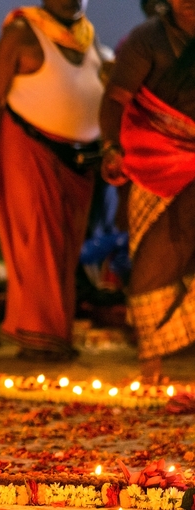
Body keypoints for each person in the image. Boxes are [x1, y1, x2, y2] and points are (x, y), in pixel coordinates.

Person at [0, 0, 106, 362]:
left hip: (78, 160)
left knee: (65, 248)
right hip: (27, 147)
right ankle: (38, 338)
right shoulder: (21, 35)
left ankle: (55, 336)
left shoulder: (87, 39)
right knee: (36, 241)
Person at [100, 0, 195, 382]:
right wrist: (112, 147)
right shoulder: (147, 40)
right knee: (157, 256)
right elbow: (115, 100)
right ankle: (153, 360)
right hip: (155, 162)